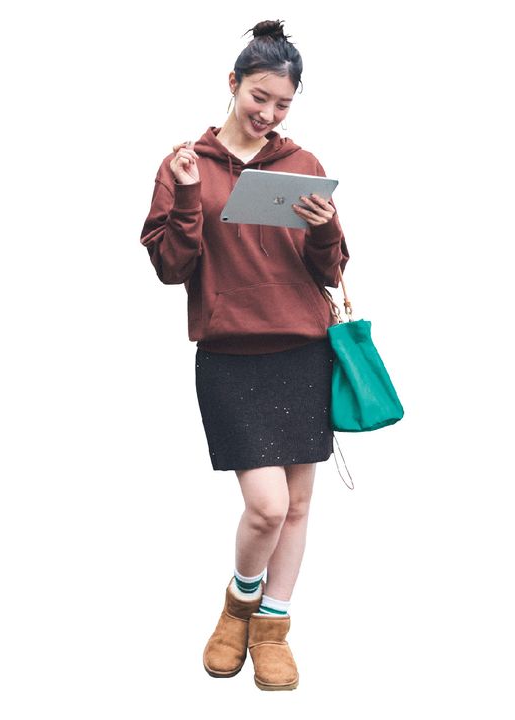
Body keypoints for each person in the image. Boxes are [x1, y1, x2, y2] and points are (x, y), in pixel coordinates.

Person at [139, 19, 350, 691]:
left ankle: (272, 628)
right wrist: (188, 194)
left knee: (296, 505)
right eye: (259, 97)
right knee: (265, 506)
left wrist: (326, 230)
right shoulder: (186, 164)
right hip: (230, 353)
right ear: (232, 84)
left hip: (302, 348)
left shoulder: (303, 164)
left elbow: (331, 269)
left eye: (282, 104)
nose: (269, 113)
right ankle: (239, 604)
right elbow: (172, 268)